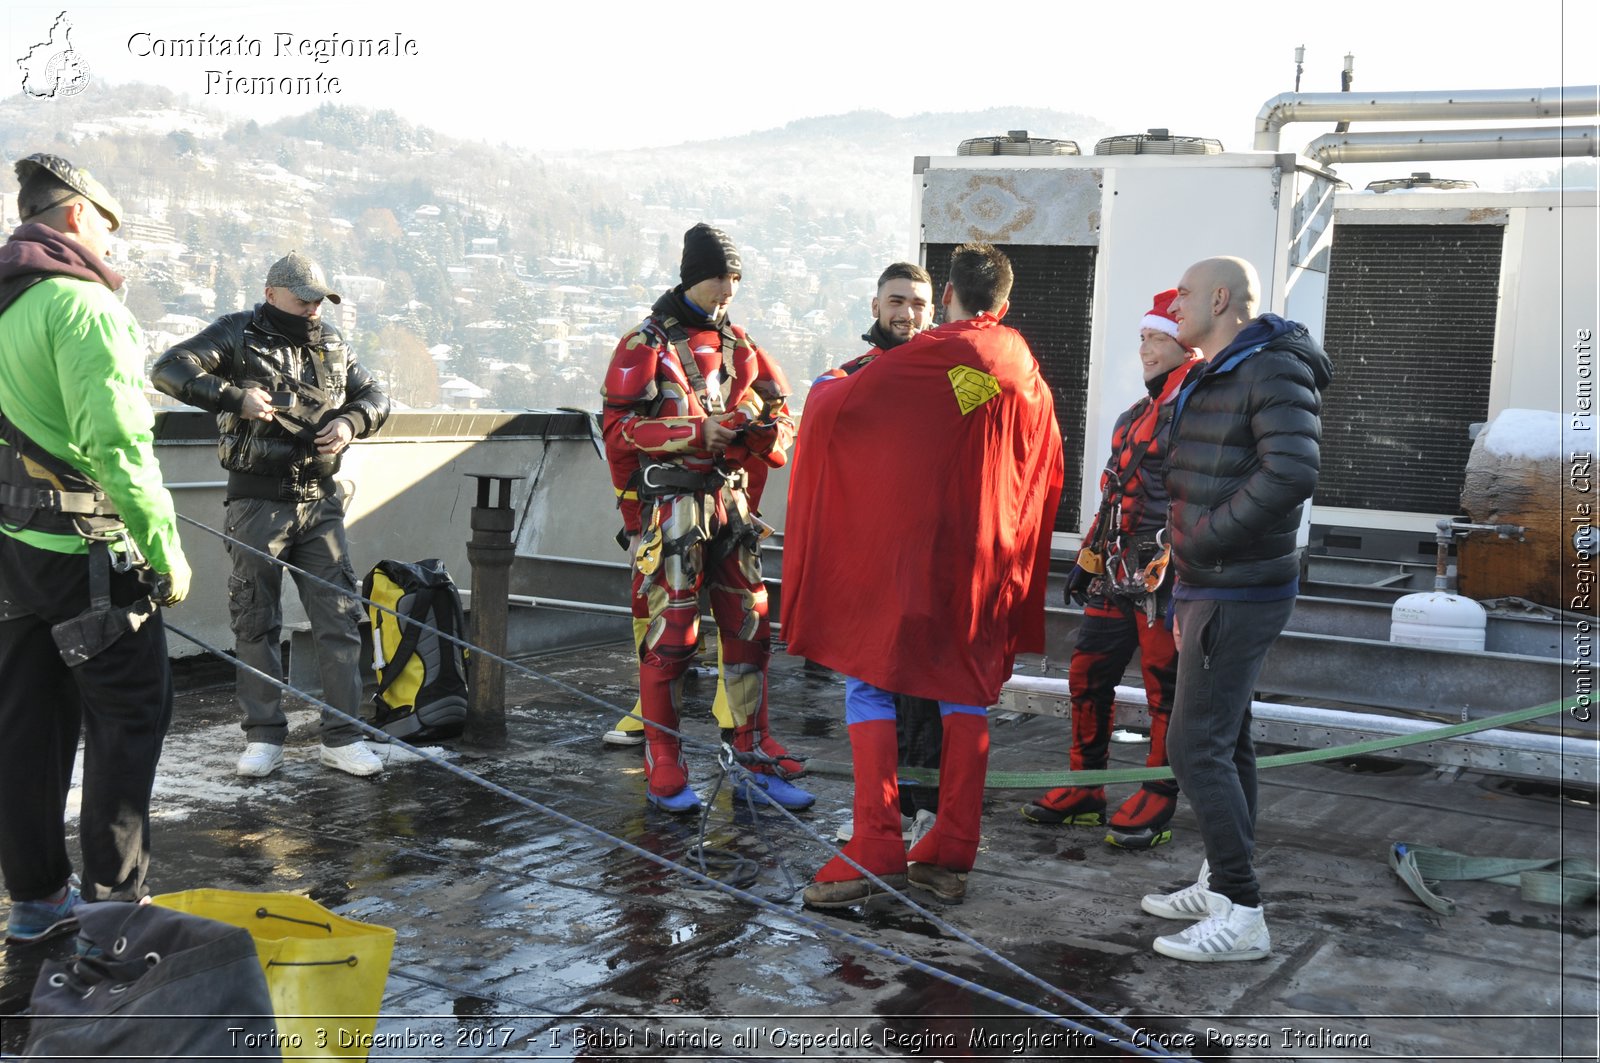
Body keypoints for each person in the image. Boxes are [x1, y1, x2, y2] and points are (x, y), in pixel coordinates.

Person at [785, 243, 1063, 907]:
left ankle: (875, 843)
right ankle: (949, 848)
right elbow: (1044, 463)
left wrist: (824, 387)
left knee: (869, 679)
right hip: (986, 565)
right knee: (962, 692)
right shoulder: (1021, 364)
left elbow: (837, 408)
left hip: (920, 560)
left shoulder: (942, 354)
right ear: (1006, 302)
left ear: (946, 299)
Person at [0, 153, 191, 942]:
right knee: (131, 715)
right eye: (111, 229)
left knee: (24, 727)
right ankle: (115, 907)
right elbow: (116, 442)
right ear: (80, 216)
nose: (114, 246)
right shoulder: (82, 305)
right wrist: (166, 548)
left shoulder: (8, 303)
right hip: (89, 557)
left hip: (12, 549)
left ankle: (37, 901)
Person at [1139, 257, 1331, 962]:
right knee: (1229, 737)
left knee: (1194, 747)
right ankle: (1221, 882)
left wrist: (1204, 538)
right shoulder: (1220, 368)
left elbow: (1292, 471)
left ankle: (1243, 912)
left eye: (1184, 292)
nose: (1175, 302)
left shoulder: (1270, 367)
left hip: (1235, 585)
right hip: (1211, 580)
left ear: (1220, 298)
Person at [600, 223, 813, 814]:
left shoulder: (742, 344)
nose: (728, 289)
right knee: (673, 636)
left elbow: (783, 413)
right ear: (694, 275)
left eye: (735, 279)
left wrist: (767, 432)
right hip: (672, 506)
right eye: (720, 277)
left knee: (751, 627)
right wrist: (694, 432)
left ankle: (752, 750)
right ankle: (664, 760)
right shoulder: (644, 344)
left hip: (733, 503)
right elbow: (617, 431)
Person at [152, 251, 390, 778]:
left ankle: (343, 736)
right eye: (303, 298)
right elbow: (168, 369)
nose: (311, 308)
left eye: (319, 300)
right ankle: (263, 736)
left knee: (341, 619)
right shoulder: (236, 334)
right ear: (271, 292)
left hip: (321, 500)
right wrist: (233, 397)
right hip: (256, 501)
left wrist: (352, 420)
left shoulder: (331, 341)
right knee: (256, 619)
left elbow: (374, 394)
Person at [1023, 289, 1201, 848]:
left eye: (1160, 339)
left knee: (1164, 691)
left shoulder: (1201, 411)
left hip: (1164, 579)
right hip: (1115, 570)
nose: (1147, 349)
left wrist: (1189, 579)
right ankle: (1087, 787)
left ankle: (1157, 792)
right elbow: (1115, 494)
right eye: (1145, 338)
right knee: (1086, 675)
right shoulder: (1134, 415)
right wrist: (1087, 558)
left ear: (1185, 344)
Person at [815, 262, 944, 842]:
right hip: (869, 561)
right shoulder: (847, 379)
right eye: (897, 301)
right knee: (873, 685)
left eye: (918, 304)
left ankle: (928, 811)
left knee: (926, 690)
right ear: (875, 307)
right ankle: (879, 809)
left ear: (933, 312)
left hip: (933, 558)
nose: (907, 313)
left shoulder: (955, 374)